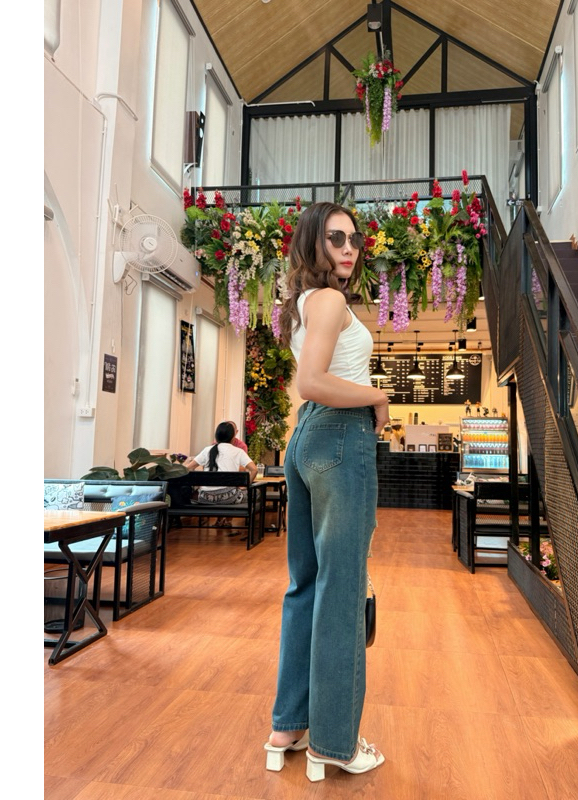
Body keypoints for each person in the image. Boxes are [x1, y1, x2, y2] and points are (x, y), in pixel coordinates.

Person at [264, 202, 389, 781]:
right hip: (340, 435)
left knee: (307, 585)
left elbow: (310, 386)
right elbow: (311, 381)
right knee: (342, 590)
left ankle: (288, 726)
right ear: (312, 242)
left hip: (307, 438)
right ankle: (334, 743)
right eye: (335, 237)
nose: (349, 248)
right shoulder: (332, 302)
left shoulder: (305, 302)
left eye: (354, 239)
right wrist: (378, 396)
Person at [184, 422, 257, 526]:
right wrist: (246, 487)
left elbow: (188, 468)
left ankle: (221, 521)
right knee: (257, 492)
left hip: (205, 498)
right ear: (233, 436)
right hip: (229, 498)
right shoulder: (238, 451)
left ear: (216, 436)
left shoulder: (207, 450)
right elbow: (254, 470)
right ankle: (231, 522)